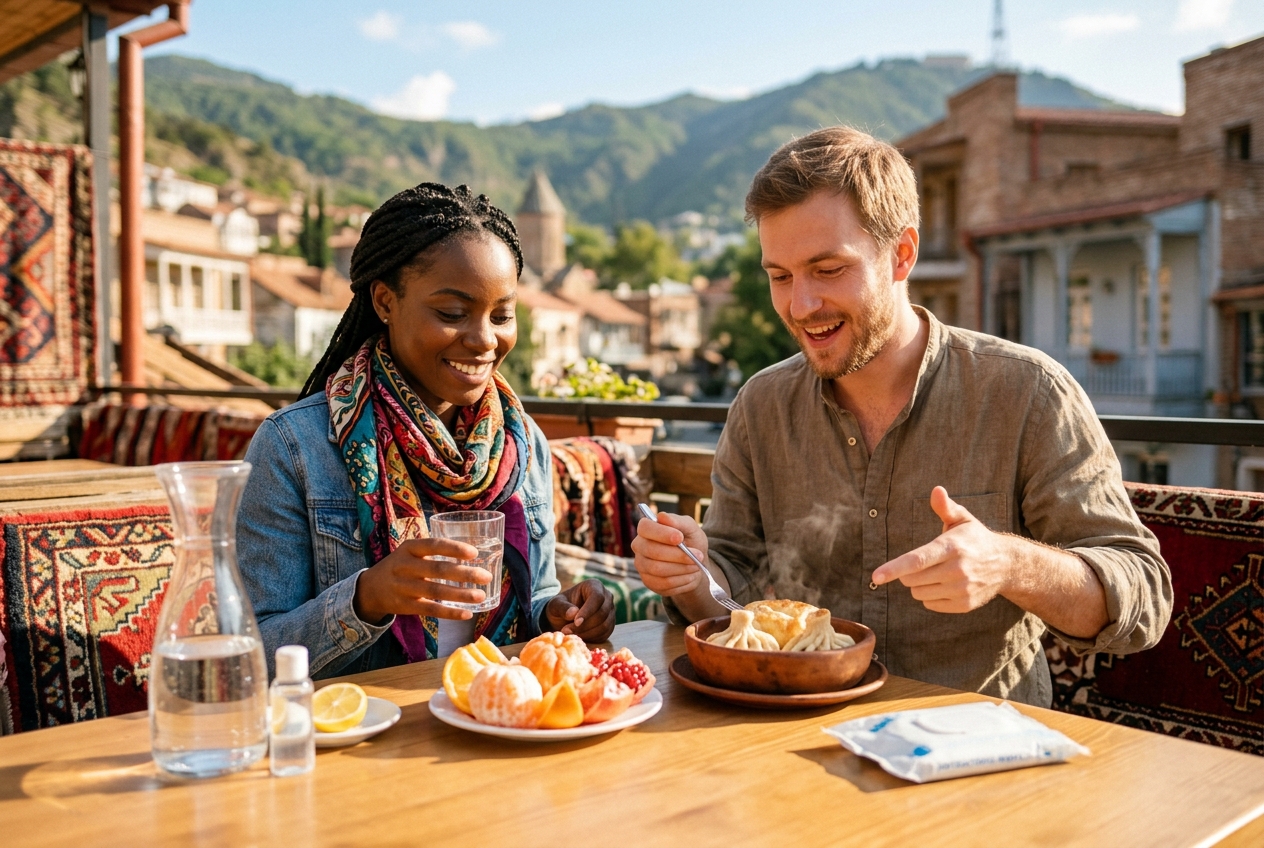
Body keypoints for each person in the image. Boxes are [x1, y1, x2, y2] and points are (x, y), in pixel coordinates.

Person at [632, 127, 1172, 706]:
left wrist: (1007, 563)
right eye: (780, 276)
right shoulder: (760, 405)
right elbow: (730, 589)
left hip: (975, 739)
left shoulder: (1027, 391)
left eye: (828, 269)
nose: (801, 305)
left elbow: (1143, 598)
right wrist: (692, 575)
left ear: (902, 254)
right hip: (797, 734)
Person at [238, 183, 615, 679]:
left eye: (502, 315)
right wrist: (367, 598)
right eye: (452, 314)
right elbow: (249, 656)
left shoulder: (521, 443)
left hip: (492, 713)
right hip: (366, 722)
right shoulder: (294, 448)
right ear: (384, 301)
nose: (484, 339)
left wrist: (560, 614)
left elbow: (535, 597)